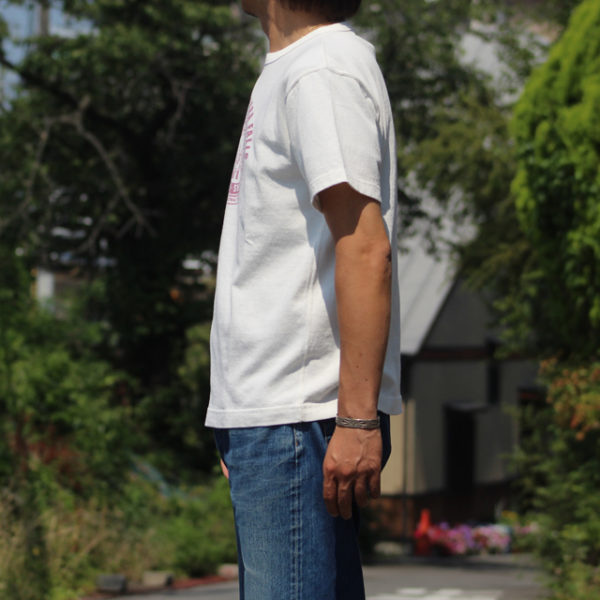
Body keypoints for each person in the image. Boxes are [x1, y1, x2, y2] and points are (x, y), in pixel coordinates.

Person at [205, 1, 402, 598]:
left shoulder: (321, 67)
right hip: (276, 418)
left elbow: (365, 247)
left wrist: (356, 420)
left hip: (297, 417)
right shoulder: (295, 67)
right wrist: (238, 417)